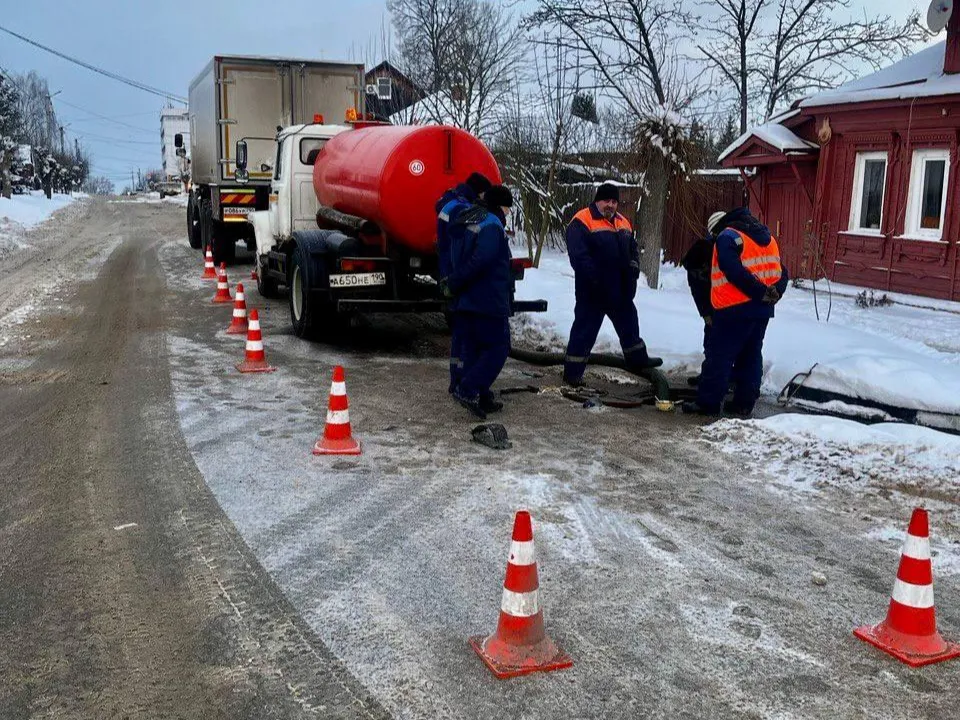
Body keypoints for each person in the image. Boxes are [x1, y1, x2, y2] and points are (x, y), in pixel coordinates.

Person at [683, 207, 790, 418]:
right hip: (762, 311)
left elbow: (732, 270)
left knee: (719, 356)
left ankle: (708, 403)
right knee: (751, 355)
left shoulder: (727, 236)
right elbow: (782, 271)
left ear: (716, 229)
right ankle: (744, 404)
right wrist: (774, 292)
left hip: (733, 308)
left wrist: (759, 292)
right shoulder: (767, 238)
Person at [563, 182, 662, 387]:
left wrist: (633, 268)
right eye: (606, 201)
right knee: (584, 331)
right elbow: (579, 257)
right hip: (593, 291)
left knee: (630, 325)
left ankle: (637, 361)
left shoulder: (623, 222)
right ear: (597, 201)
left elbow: (633, 250)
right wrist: (596, 279)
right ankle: (572, 374)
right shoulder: (582, 220)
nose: (611, 205)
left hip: (620, 289)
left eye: (614, 201)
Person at [441, 184, 515, 419]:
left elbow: (455, 254)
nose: (508, 212)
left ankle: (480, 393)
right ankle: (469, 389)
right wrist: (457, 281)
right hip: (488, 298)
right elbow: (482, 260)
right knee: (498, 348)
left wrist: (454, 282)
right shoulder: (492, 225)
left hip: (468, 299)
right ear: (500, 206)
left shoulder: (468, 218)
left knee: (474, 347)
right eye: (508, 208)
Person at [436, 172, 493, 395]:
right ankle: (460, 381)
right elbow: (462, 245)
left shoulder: (450, 202)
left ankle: (457, 379)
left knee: (460, 331)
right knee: (464, 334)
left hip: (449, 270)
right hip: (457, 274)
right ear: (479, 191)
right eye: (484, 193)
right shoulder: (461, 209)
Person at [679, 214, 721, 386]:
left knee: (716, 344)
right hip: (717, 305)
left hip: (720, 305)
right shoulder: (705, 251)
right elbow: (698, 286)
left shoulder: (723, 247)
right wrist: (705, 312)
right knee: (715, 343)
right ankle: (712, 377)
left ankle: (714, 379)